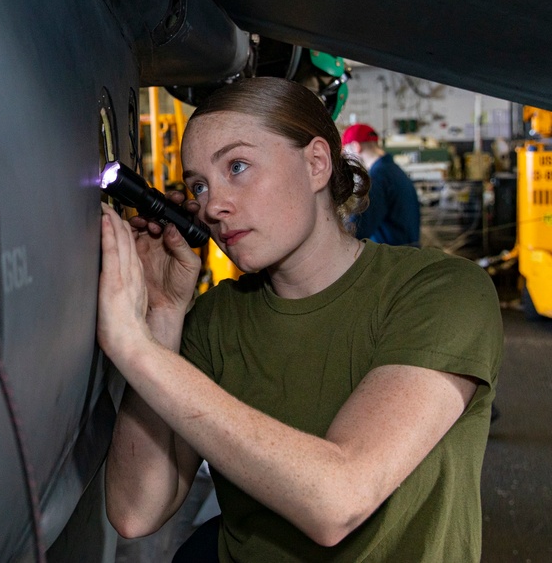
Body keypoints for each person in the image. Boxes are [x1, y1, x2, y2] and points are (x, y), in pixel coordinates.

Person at [97, 77, 502, 562]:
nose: (213, 205)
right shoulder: (215, 320)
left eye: (238, 166)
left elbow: (338, 500)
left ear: (315, 164)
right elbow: (134, 511)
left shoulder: (440, 292)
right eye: (199, 185)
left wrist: (133, 346)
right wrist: (161, 320)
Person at [341, 123, 421, 246]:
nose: (346, 158)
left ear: (356, 147)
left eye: (346, 151)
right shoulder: (392, 170)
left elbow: (358, 230)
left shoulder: (378, 177)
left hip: (394, 258)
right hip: (406, 253)